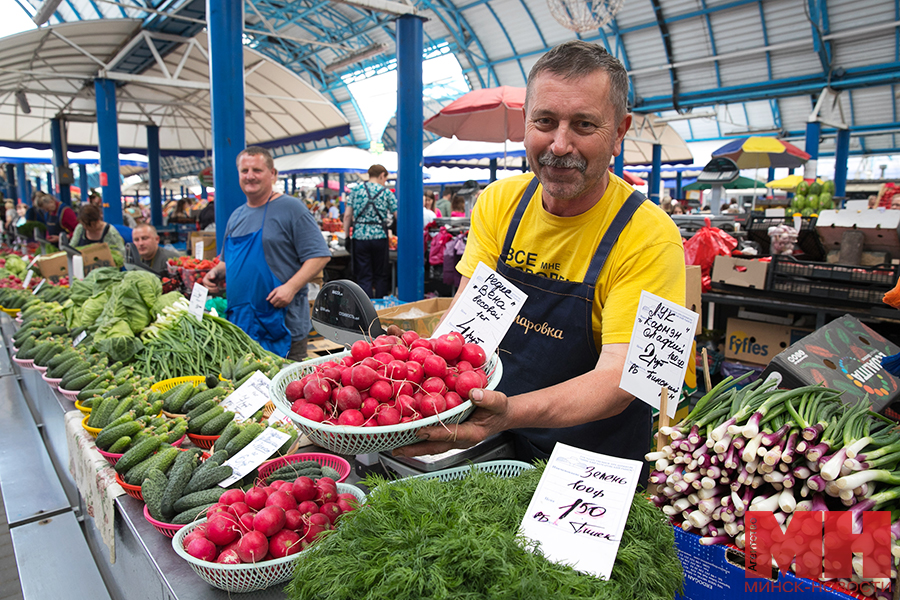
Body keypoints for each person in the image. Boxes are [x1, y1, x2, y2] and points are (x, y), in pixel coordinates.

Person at [393, 40, 686, 468]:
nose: (560, 144)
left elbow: (629, 381)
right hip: (496, 438)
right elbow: (468, 322)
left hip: (594, 463)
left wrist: (508, 412)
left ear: (619, 132)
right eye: (545, 121)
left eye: (584, 125)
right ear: (526, 122)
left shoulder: (653, 237)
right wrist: (418, 375)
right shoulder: (499, 202)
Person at [201, 146, 330, 360]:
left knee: (285, 389)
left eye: (257, 170)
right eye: (244, 171)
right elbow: (229, 260)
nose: (250, 176)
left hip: (282, 325)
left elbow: (319, 256)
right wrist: (215, 272)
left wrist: (291, 287)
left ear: (273, 174)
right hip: (242, 328)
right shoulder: (236, 216)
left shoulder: (292, 208)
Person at [343, 164, 397, 299]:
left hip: (360, 237)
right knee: (381, 275)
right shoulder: (386, 193)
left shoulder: (355, 191)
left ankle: (366, 311)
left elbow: (347, 216)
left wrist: (346, 236)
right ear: (381, 175)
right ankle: (381, 309)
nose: (385, 182)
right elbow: (398, 215)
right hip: (380, 237)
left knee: (363, 276)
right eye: (385, 178)